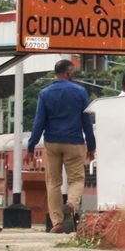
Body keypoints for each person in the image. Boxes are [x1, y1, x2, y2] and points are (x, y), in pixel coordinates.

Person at [27, 60, 95, 233]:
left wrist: (31, 145)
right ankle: (71, 204)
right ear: (68, 72)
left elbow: (39, 122)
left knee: (53, 182)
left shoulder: (45, 93)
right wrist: (92, 146)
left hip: (52, 142)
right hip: (74, 142)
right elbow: (87, 121)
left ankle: (57, 222)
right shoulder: (80, 92)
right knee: (77, 179)